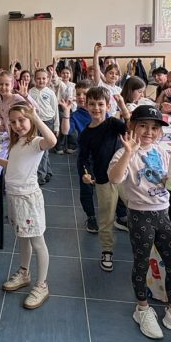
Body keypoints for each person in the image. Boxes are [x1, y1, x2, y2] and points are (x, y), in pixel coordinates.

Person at [108, 106, 171, 340]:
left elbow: (167, 178)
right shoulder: (124, 153)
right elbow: (114, 178)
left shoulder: (161, 150)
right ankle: (142, 309)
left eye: (154, 128)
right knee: (141, 263)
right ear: (132, 126)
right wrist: (128, 153)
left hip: (162, 213)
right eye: (143, 126)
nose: (149, 132)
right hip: (140, 214)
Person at [0, 102, 57, 309]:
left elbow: (52, 141)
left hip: (28, 199)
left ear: (30, 120)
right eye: (13, 122)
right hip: (15, 197)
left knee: (37, 241)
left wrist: (36, 117)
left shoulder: (36, 142)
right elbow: (13, 165)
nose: (17, 125)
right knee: (23, 237)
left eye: (22, 120)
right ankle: (24, 272)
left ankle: (42, 285)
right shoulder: (17, 142)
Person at [79, 86, 130, 273]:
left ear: (108, 106)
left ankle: (146, 244)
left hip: (124, 176)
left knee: (137, 208)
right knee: (106, 217)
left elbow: (130, 128)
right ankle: (107, 250)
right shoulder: (86, 134)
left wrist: (123, 107)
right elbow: (83, 159)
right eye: (92, 104)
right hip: (103, 179)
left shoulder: (113, 123)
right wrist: (85, 173)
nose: (96, 108)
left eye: (100, 104)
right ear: (86, 105)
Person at [65, 81, 97, 231]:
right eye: (78, 94)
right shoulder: (76, 115)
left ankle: (119, 215)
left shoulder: (100, 111)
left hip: (102, 157)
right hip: (85, 158)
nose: (81, 97)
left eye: (85, 93)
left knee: (106, 187)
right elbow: (66, 131)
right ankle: (91, 217)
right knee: (86, 189)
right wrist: (66, 112)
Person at [28, 67, 57, 185]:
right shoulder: (30, 92)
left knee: (44, 149)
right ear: (34, 79)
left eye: (44, 78)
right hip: (35, 122)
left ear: (48, 79)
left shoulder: (50, 92)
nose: (41, 81)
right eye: (38, 78)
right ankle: (47, 172)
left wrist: (56, 126)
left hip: (48, 122)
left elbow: (55, 110)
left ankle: (40, 176)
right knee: (39, 148)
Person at [91, 42, 123, 113]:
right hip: (103, 115)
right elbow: (96, 68)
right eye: (111, 73)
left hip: (114, 116)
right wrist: (96, 53)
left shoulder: (119, 90)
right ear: (105, 74)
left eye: (116, 74)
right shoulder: (101, 85)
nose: (113, 75)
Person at [52, 65, 76, 154]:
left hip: (70, 107)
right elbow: (54, 79)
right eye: (63, 73)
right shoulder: (58, 83)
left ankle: (71, 145)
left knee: (72, 127)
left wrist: (72, 99)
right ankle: (59, 146)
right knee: (60, 127)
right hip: (60, 107)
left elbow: (76, 96)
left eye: (67, 73)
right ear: (60, 74)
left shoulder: (73, 85)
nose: (65, 75)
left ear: (70, 75)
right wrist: (55, 66)